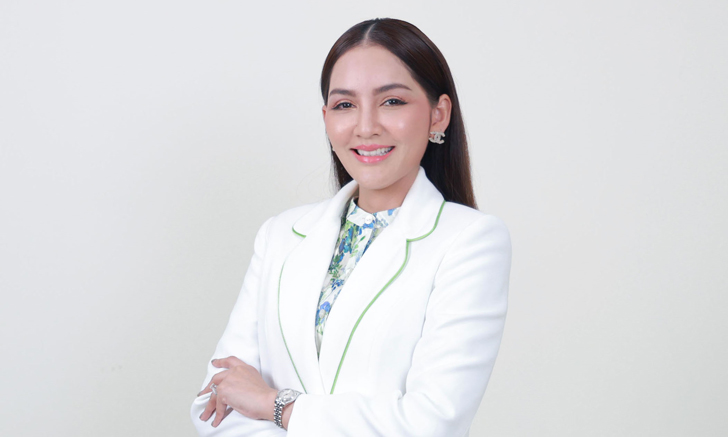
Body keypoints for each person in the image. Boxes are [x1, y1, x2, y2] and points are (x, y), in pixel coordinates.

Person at [190, 17, 512, 436]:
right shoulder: (280, 236)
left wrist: (275, 405)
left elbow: (430, 423)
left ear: (438, 114)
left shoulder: (471, 241)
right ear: (326, 118)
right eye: (345, 105)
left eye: (392, 101)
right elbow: (215, 404)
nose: (365, 126)